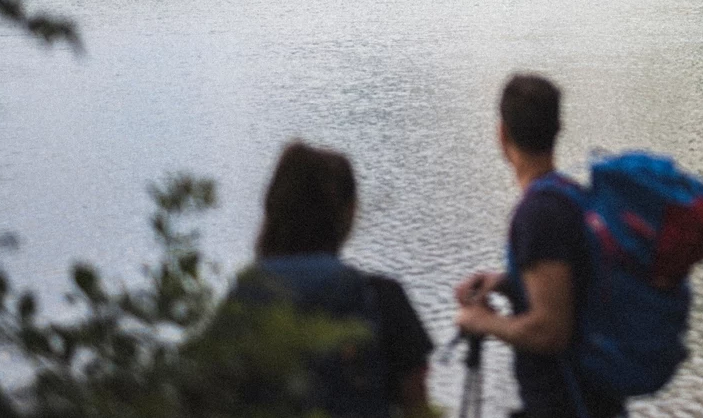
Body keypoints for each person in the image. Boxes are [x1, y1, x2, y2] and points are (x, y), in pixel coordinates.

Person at [455, 75, 625, 418]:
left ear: (501, 134)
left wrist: (481, 322)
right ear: (558, 128)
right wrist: (505, 283)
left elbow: (551, 332)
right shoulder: (571, 196)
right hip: (592, 399)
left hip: (566, 404)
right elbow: (572, 282)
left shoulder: (538, 214)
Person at [227, 141, 434, 418]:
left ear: (272, 209)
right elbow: (418, 408)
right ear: (348, 213)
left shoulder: (243, 300)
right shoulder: (383, 298)